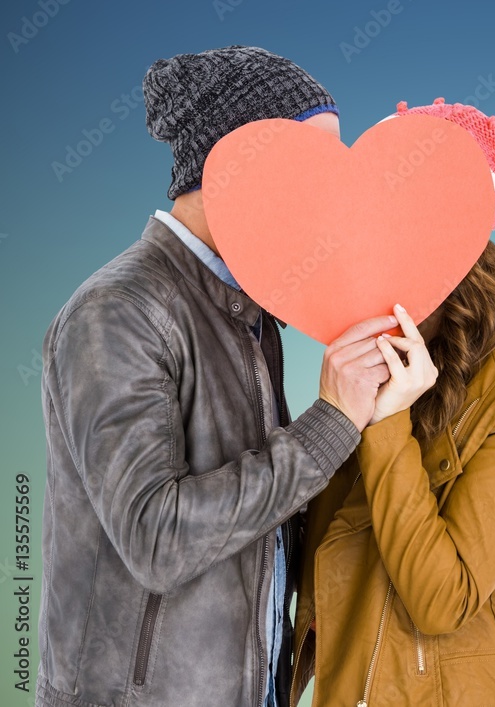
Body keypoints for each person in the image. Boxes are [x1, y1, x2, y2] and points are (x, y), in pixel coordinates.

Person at [36, 46, 393, 707]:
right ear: (236, 166)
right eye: (310, 168)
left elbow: (265, 513)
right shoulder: (118, 311)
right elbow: (158, 537)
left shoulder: (252, 314)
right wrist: (330, 424)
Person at [291, 100, 495, 707]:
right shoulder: (364, 348)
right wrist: (331, 418)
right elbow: (309, 559)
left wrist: (389, 422)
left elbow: (441, 600)